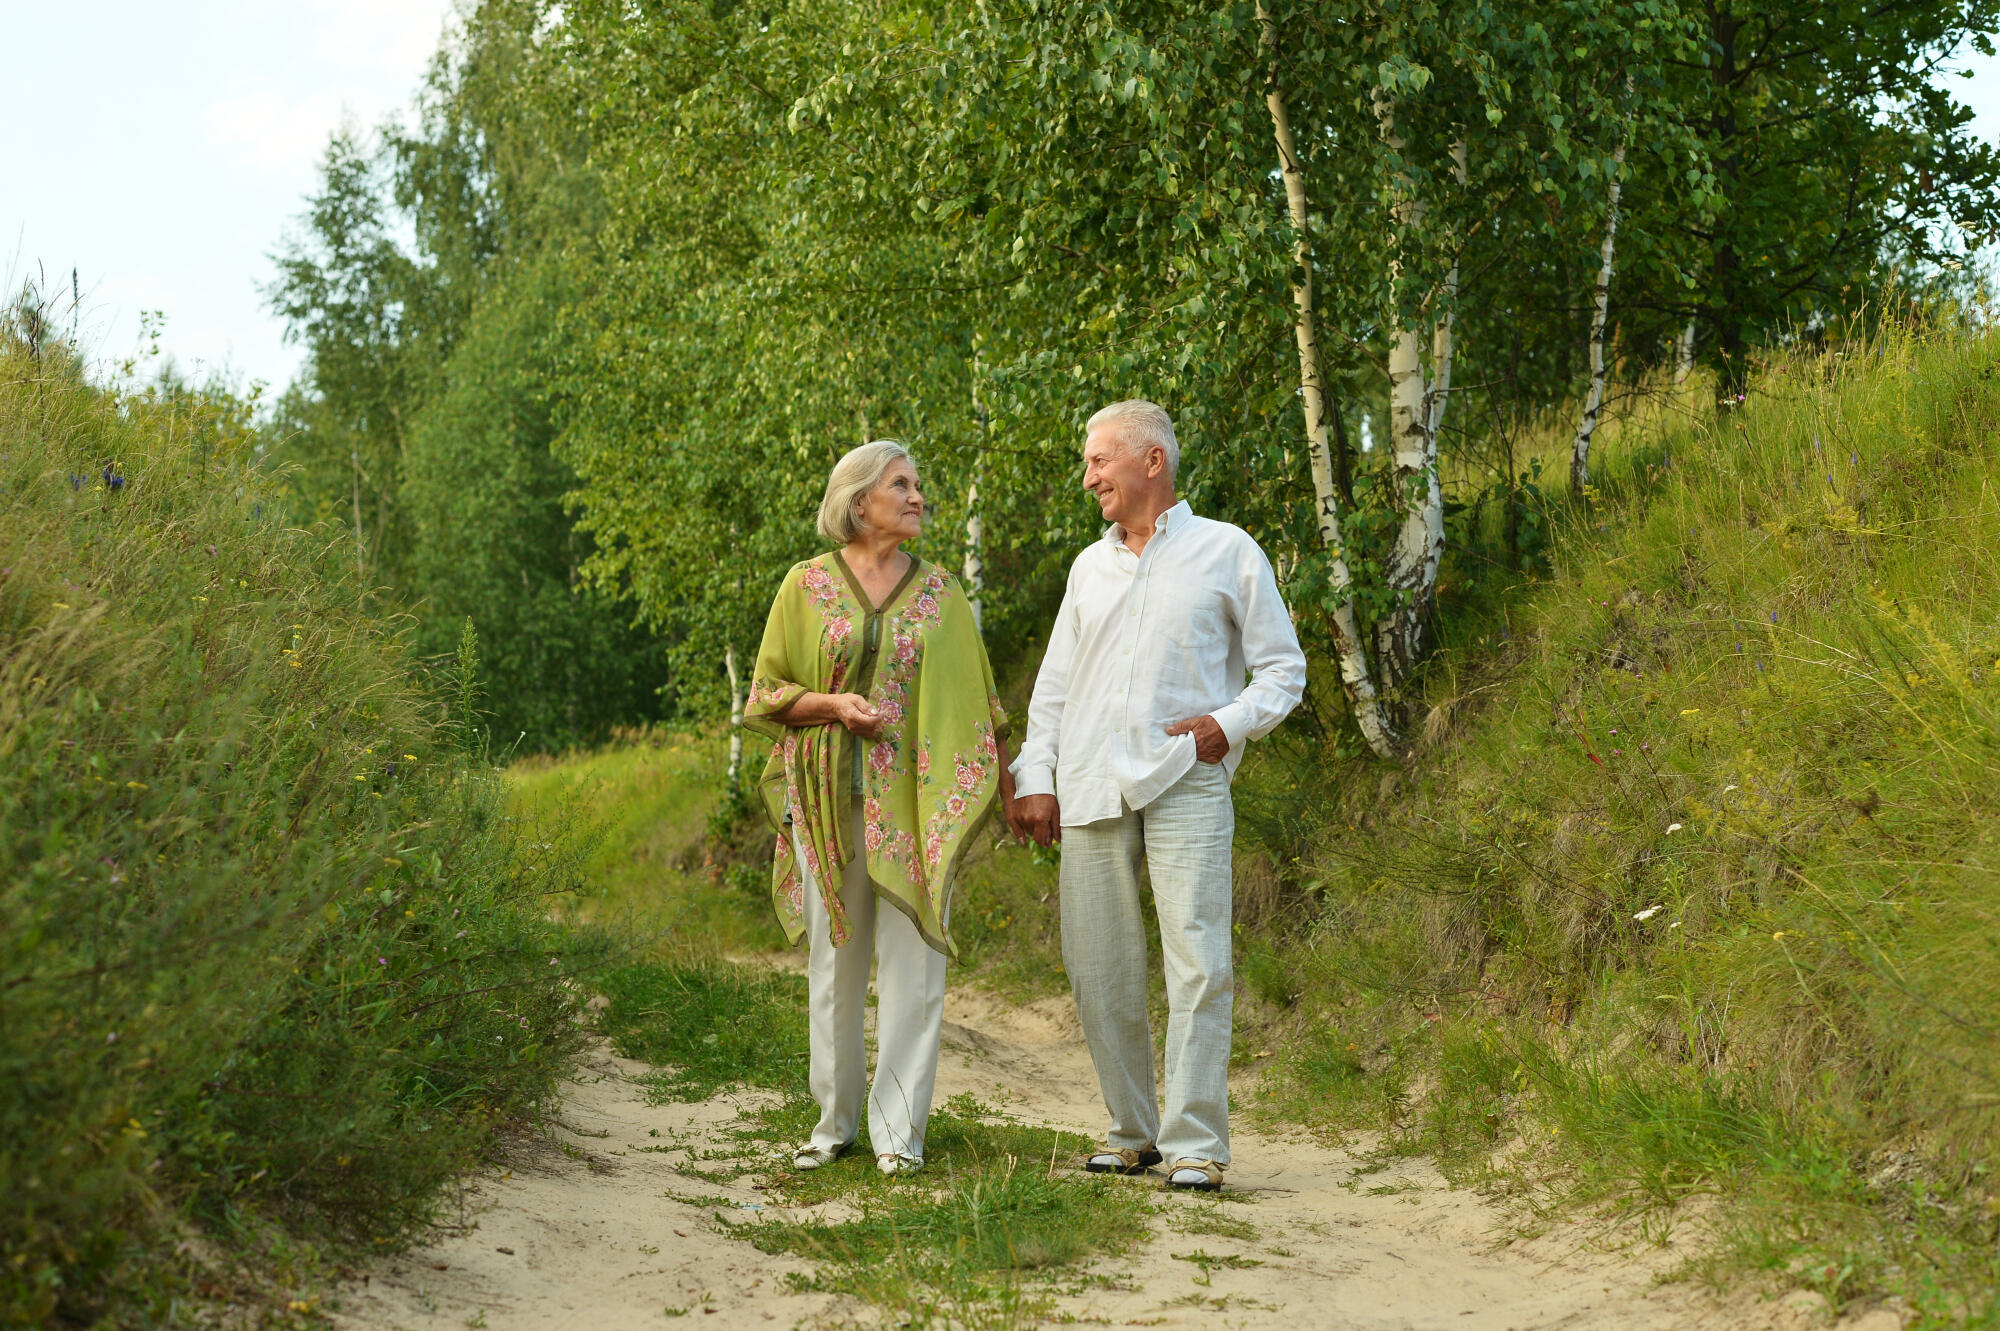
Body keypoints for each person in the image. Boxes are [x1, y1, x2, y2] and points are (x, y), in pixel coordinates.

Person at [1008, 400, 1307, 1192]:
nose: (1087, 477)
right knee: (1098, 965)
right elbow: (1055, 689)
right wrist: (1034, 776)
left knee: (1200, 959)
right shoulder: (1087, 566)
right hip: (1092, 782)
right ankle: (1132, 1129)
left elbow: (1284, 669)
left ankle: (1197, 1141)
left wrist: (1226, 725)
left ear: (1151, 461)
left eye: (1098, 460)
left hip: (1186, 776)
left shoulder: (1227, 550)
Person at [743, 440, 1016, 1177]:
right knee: (835, 965)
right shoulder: (804, 587)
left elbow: (977, 705)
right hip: (827, 802)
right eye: (902, 484)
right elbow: (767, 693)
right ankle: (832, 1124)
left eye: (919, 483)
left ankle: (900, 1134)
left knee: (915, 968)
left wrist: (1004, 782)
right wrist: (833, 705)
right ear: (859, 502)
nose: (919, 495)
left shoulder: (942, 596)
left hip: (913, 809)